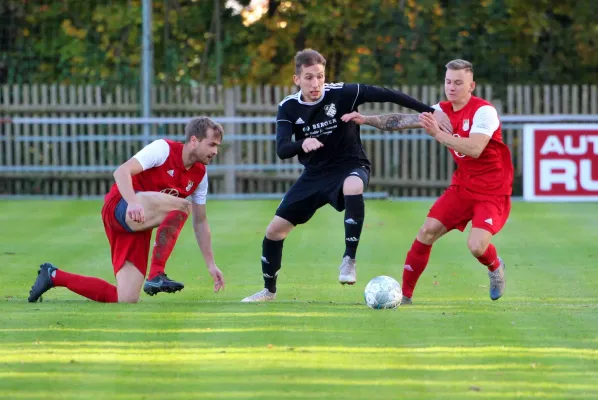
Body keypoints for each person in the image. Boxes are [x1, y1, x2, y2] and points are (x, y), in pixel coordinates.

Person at [241, 48, 452, 302]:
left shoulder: (343, 92)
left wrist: (430, 110)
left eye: (320, 76)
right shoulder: (288, 107)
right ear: (297, 79)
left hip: (351, 163)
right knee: (274, 231)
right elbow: (282, 149)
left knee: (353, 186)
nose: (316, 83)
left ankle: (349, 259)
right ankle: (268, 291)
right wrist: (302, 143)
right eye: (308, 77)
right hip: (315, 174)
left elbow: (387, 94)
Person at [341, 59, 513, 303]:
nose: (451, 87)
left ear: (471, 85)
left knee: (476, 246)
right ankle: (405, 297)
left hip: (493, 191)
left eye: (458, 83)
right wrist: (367, 119)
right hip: (463, 186)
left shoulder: (483, 111)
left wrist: (438, 134)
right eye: (448, 82)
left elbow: (475, 148)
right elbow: (402, 120)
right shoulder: (440, 111)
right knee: (427, 231)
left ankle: (495, 267)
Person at [28, 117, 226, 303]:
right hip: (120, 205)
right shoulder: (163, 149)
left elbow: (200, 221)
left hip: (139, 221)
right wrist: (132, 202)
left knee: (126, 298)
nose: (216, 151)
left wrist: (211, 265)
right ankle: (157, 274)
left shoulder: (200, 175)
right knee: (182, 205)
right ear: (194, 140)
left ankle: (53, 275)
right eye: (212, 144)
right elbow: (121, 171)